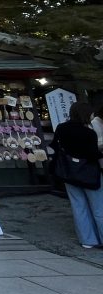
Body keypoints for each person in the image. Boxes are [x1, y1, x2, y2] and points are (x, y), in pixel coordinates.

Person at [51, 101, 103, 248]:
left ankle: (87, 240)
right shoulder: (89, 133)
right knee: (99, 207)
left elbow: (55, 145)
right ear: (86, 114)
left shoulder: (61, 128)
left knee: (78, 206)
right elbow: (93, 154)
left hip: (68, 171)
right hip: (89, 173)